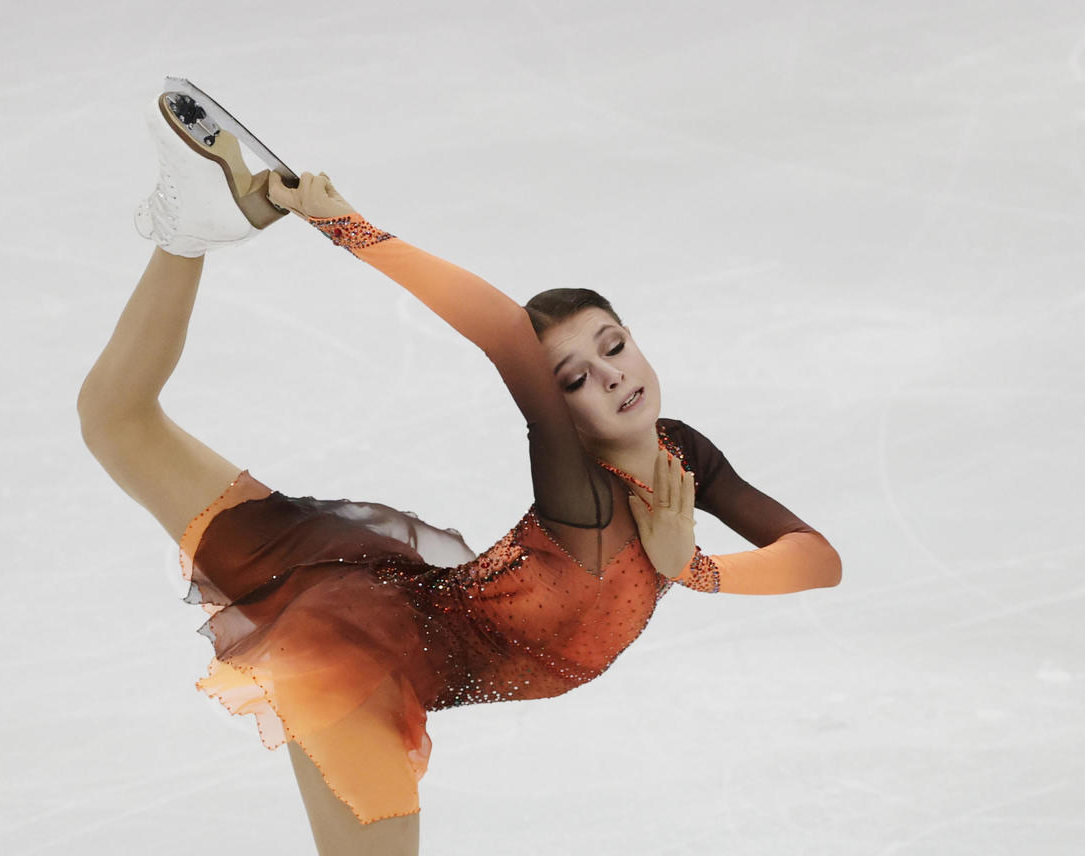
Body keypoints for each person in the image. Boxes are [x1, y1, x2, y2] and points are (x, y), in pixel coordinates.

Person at [77, 80, 843, 856]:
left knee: (116, 421)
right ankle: (187, 228)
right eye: (574, 378)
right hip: (360, 662)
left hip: (386, 594)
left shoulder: (685, 456)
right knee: (116, 421)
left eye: (614, 346)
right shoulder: (584, 498)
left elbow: (818, 559)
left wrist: (696, 570)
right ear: (561, 414)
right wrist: (348, 228)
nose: (611, 376)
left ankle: (190, 230)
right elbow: (504, 333)